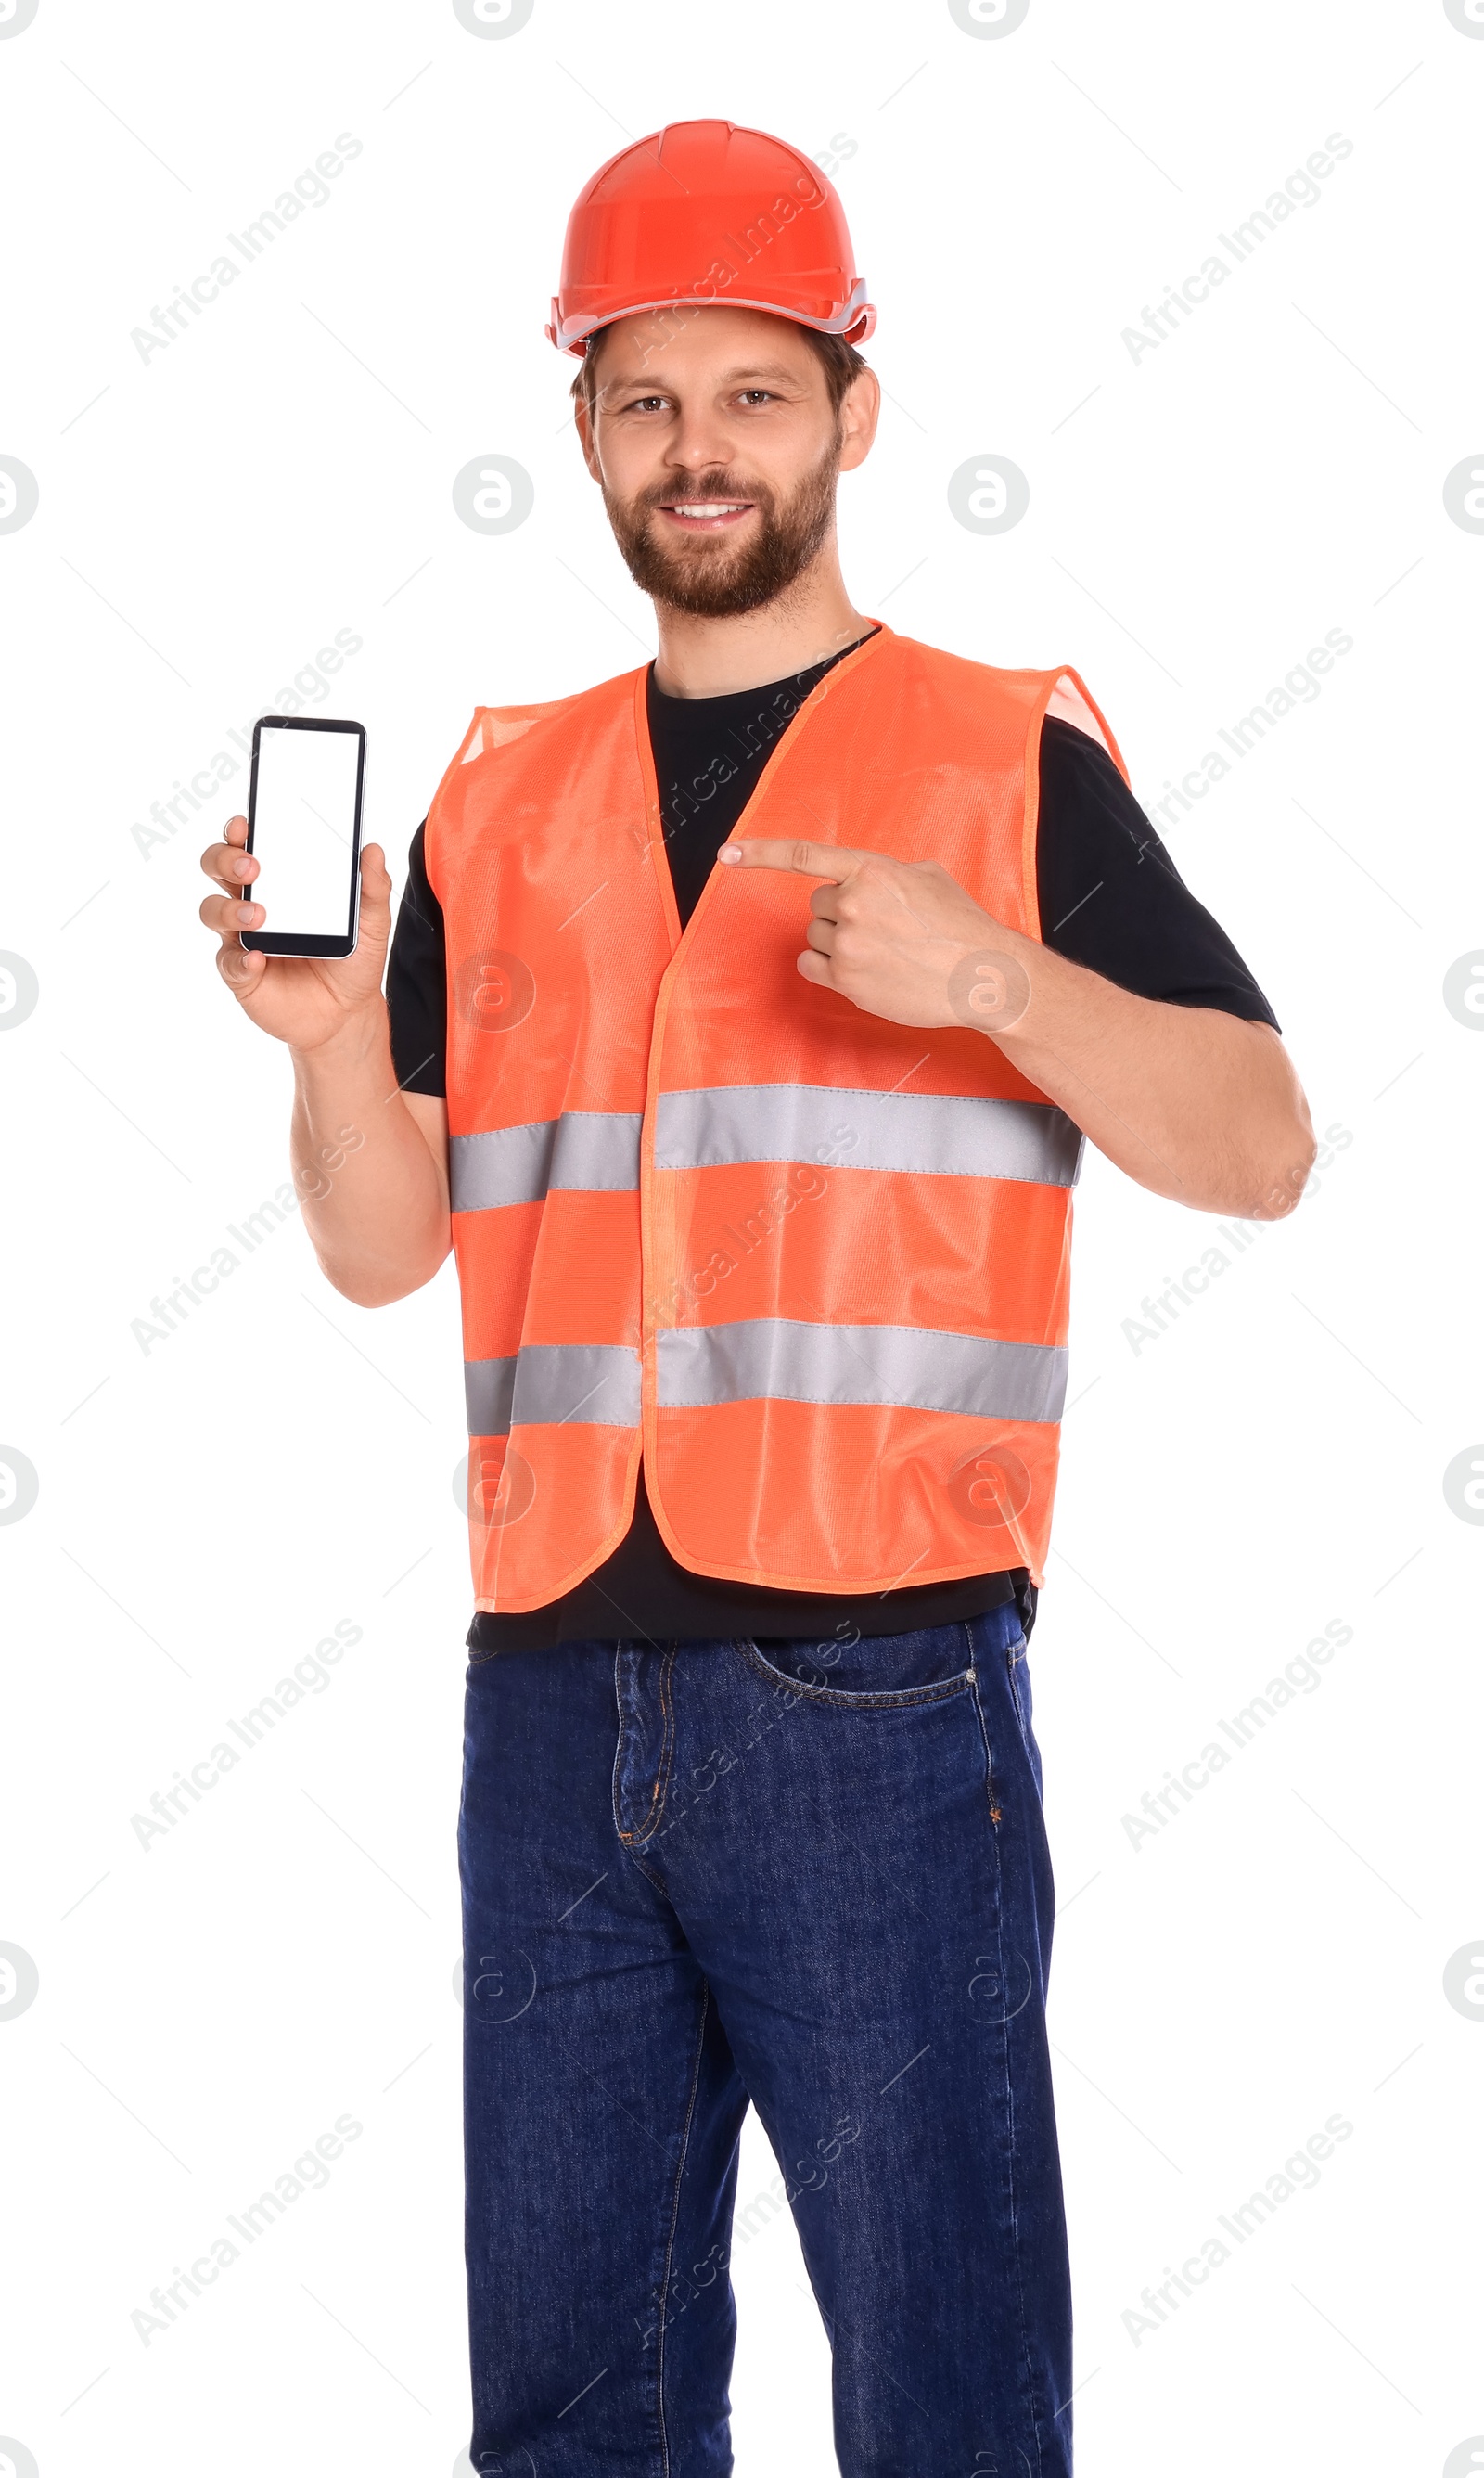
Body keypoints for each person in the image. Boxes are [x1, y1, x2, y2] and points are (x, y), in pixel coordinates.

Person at [199, 118, 1314, 2478]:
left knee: (941, 2397)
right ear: (585, 430)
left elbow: (1259, 1146)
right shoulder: (496, 805)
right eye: (643, 400)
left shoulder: (996, 755)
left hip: (877, 1691)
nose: (695, 450)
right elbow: (383, 1244)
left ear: (849, 414)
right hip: (546, 1695)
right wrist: (326, 1050)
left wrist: (994, 976)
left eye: (751, 393)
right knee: (571, 2420)